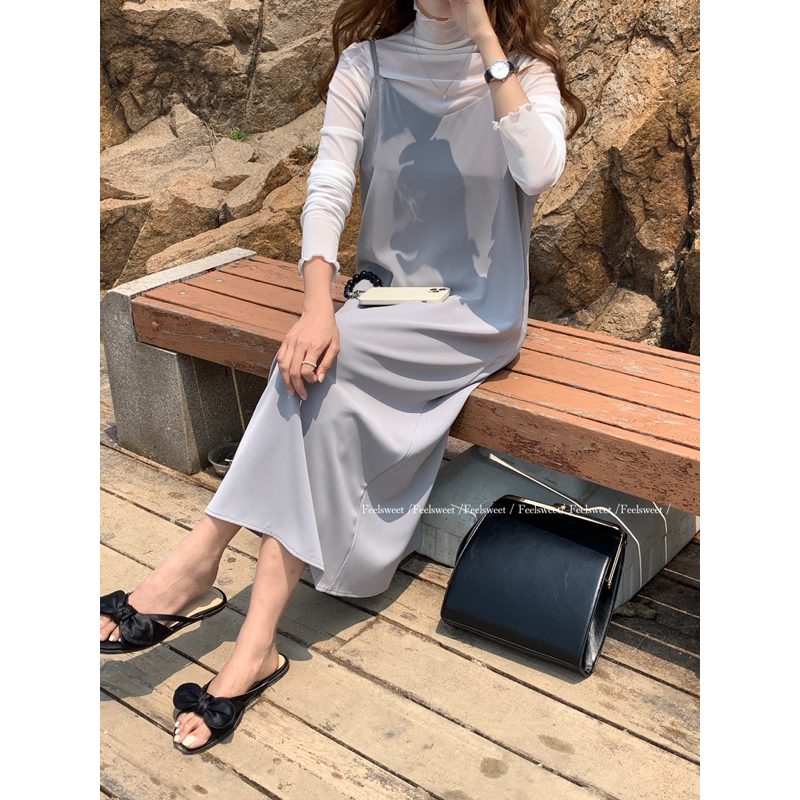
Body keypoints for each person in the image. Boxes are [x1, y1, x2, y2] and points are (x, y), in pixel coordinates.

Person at [100, 0, 586, 755]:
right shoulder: (369, 63)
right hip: (383, 300)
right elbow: (328, 183)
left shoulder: (524, 72)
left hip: (473, 312)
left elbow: (541, 168)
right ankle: (255, 644)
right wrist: (315, 305)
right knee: (313, 366)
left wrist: (485, 37)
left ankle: (196, 560)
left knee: (324, 362)